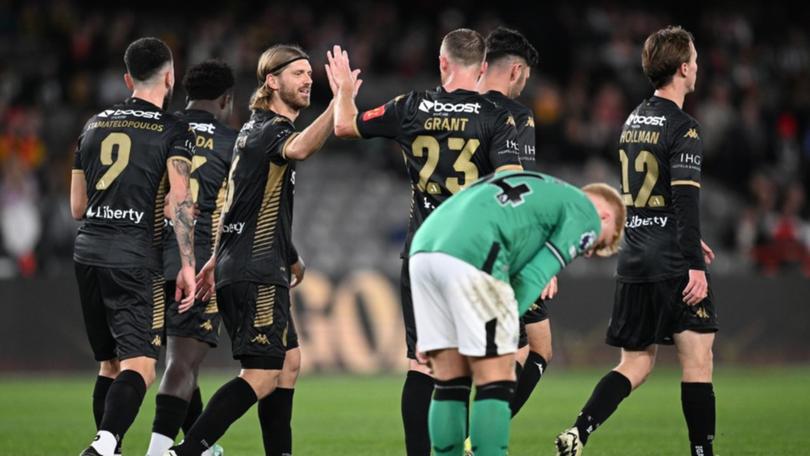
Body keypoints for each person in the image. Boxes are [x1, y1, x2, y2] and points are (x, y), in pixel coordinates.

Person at [327, 29, 522, 455]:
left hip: (424, 252)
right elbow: (511, 186)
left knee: (422, 364)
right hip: (476, 257)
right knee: (477, 364)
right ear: (484, 68)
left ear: (443, 63)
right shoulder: (497, 117)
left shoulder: (411, 106)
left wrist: (344, 90)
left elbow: (344, 126)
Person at [167, 43, 358, 456]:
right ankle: (183, 453)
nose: (308, 80)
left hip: (250, 263)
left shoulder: (252, 131)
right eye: (298, 73)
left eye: (311, 74)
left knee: (287, 364)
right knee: (261, 374)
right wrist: (341, 98)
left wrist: (222, 257)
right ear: (271, 81)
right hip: (257, 271)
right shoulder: (273, 130)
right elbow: (303, 148)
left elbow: (238, 202)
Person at [555, 26, 718, 456]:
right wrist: (694, 262)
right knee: (698, 362)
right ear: (683, 69)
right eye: (695, 61)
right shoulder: (685, 128)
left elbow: (650, 199)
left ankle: (580, 430)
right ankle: (703, 453)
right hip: (670, 261)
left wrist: (687, 240)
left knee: (635, 363)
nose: (697, 67)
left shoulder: (632, 120)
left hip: (634, 257)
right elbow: (684, 201)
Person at [409, 171, 625, 456]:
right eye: (598, 244)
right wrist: (508, 317)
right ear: (606, 217)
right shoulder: (586, 212)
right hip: (473, 252)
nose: (587, 252)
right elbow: (536, 275)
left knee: (450, 380)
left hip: (424, 248)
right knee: (496, 377)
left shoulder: (543, 187)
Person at [70, 37, 196, 456]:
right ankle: (105, 443)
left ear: (127, 79)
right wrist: (188, 265)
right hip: (134, 256)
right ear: (170, 76)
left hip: (88, 252)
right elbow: (179, 198)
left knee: (109, 365)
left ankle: (111, 446)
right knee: (140, 366)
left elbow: (77, 206)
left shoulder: (92, 124)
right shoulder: (174, 128)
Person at [145, 59, 236, 456]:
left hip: (148, 258)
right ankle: (158, 451)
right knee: (181, 363)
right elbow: (241, 207)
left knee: (180, 360)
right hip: (198, 261)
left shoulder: (160, 129)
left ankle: (200, 447)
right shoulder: (233, 142)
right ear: (226, 99)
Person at [477, 25, 552, 418]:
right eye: (526, 74)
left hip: (455, 245)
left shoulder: (461, 105)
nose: (525, 82)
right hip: (506, 250)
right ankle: (479, 439)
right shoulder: (516, 116)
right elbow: (522, 189)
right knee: (537, 349)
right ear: (515, 70)